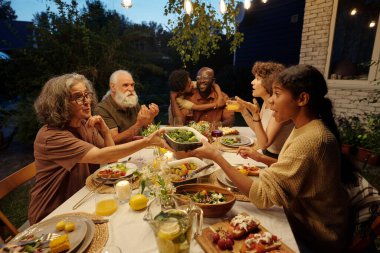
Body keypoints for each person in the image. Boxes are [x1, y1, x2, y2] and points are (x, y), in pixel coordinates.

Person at [188, 65, 351, 252]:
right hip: (303, 220)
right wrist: (260, 158)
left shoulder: (312, 140)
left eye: (277, 94)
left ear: (302, 99)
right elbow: (294, 170)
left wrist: (216, 156)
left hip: (317, 236)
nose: (271, 101)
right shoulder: (305, 127)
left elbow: (263, 196)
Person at [29, 73, 169, 224]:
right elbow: (103, 156)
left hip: (82, 199)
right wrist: (147, 141)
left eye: (87, 95)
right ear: (60, 103)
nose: (86, 101)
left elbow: (112, 161)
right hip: (54, 212)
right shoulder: (51, 137)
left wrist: (105, 131)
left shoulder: (84, 124)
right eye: (78, 97)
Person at [235, 62, 293, 165]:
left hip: (277, 160)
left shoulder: (278, 108)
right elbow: (258, 130)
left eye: (257, 79)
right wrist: (244, 111)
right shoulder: (265, 103)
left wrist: (255, 115)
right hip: (266, 154)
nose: (252, 82)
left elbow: (264, 143)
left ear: (269, 82)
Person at [93, 70, 159, 144]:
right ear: (113, 87)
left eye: (132, 85)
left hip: (139, 150)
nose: (131, 89)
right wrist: (138, 124)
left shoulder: (132, 103)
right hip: (119, 154)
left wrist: (150, 118)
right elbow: (113, 141)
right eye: (125, 85)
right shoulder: (102, 110)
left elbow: (150, 133)